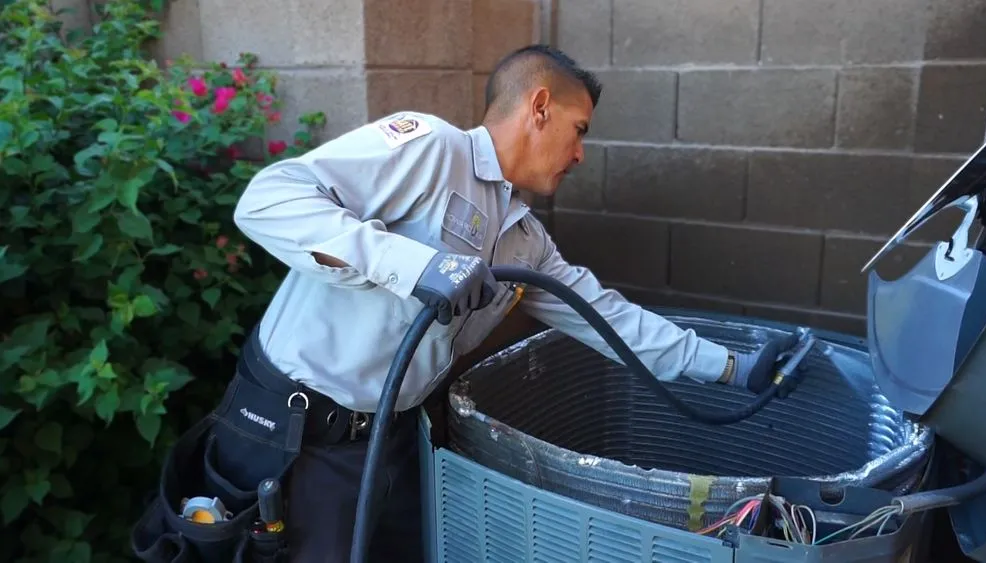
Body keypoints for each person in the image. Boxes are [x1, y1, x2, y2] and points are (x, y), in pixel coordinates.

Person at [228, 44, 797, 561]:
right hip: (296, 432)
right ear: (540, 107)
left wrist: (730, 367)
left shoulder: (525, 241)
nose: (580, 154)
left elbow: (609, 319)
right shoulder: (432, 149)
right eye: (579, 130)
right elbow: (268, 200)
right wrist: (417, 265)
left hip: (391, 439)